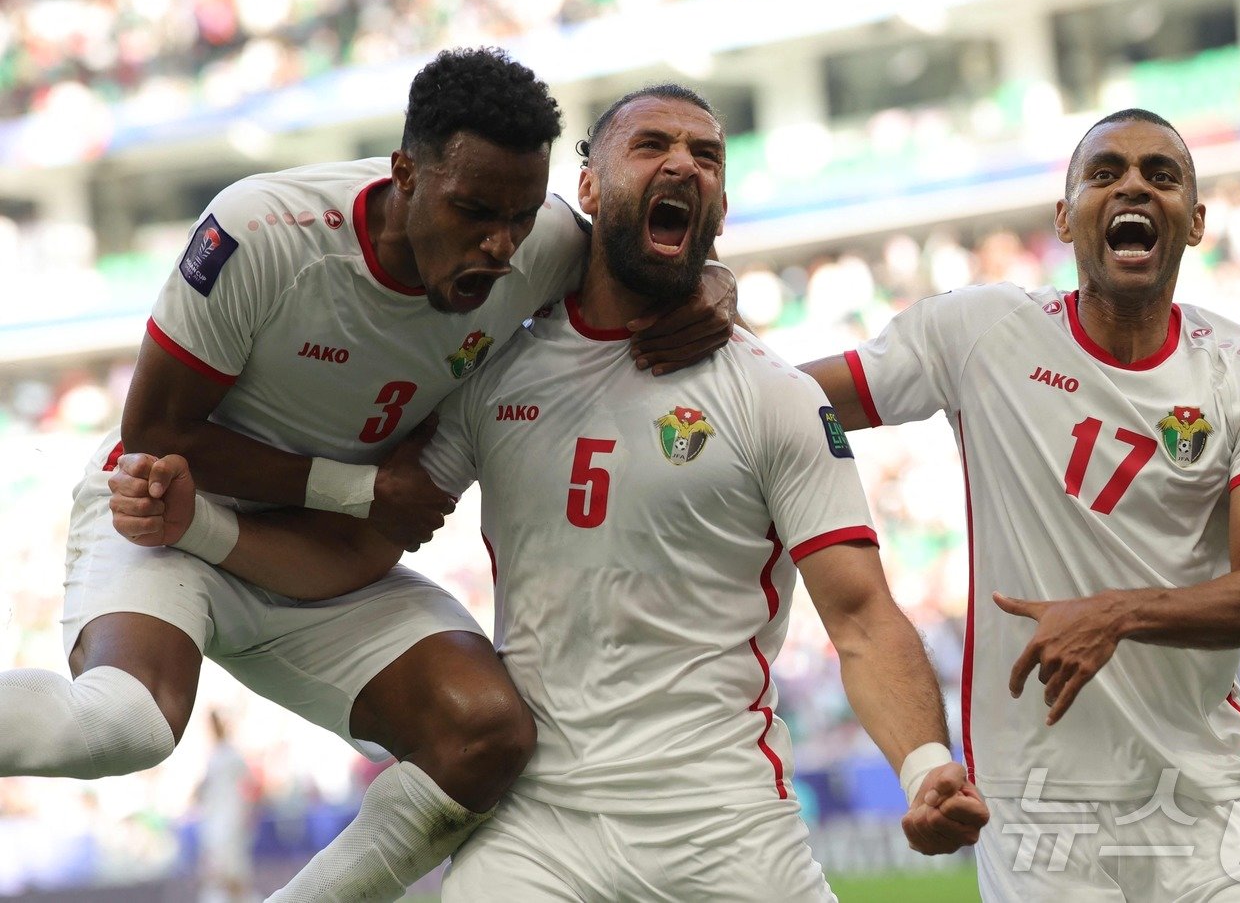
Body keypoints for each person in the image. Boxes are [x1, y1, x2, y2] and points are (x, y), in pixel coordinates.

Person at [112, 83, 991, 899]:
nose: (684, 164)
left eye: (708, 156)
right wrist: (205, 536)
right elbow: (363, 543)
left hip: (724, 824)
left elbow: (863, 615)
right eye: (651, 145)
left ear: (720, 206)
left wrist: (923, 766)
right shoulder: (490, 377)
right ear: (588, 192)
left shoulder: (776, 396)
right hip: (540, 828)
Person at [0, 47, 735, 902]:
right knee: (124, 725)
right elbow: (156, 433)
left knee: (487, 733)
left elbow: (648, 265)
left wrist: (711, 280)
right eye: (473, 211)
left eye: (521, 216)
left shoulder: (541, 246)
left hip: (318, 551)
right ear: (404, 175)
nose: (499, 245)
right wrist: (351, 488)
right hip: (165, 518)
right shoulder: (261, 232)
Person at [800, 108, 1240, 900]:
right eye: (1105, 172)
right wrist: (710, 328)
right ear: (1066, 217)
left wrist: (1114, 612)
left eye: (1162, 174)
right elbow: (786, 402)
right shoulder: (980, 331)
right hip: (1039, 822)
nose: (1134, 185)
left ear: (1198, 221)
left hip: (1207, 814)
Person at [195, 711, 257, 903]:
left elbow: (249, 782)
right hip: (215, 818)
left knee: (232, 866)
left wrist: (246, 810)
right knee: (217, 866)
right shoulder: (213, 755)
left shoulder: (231, 754)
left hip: (230, 817)